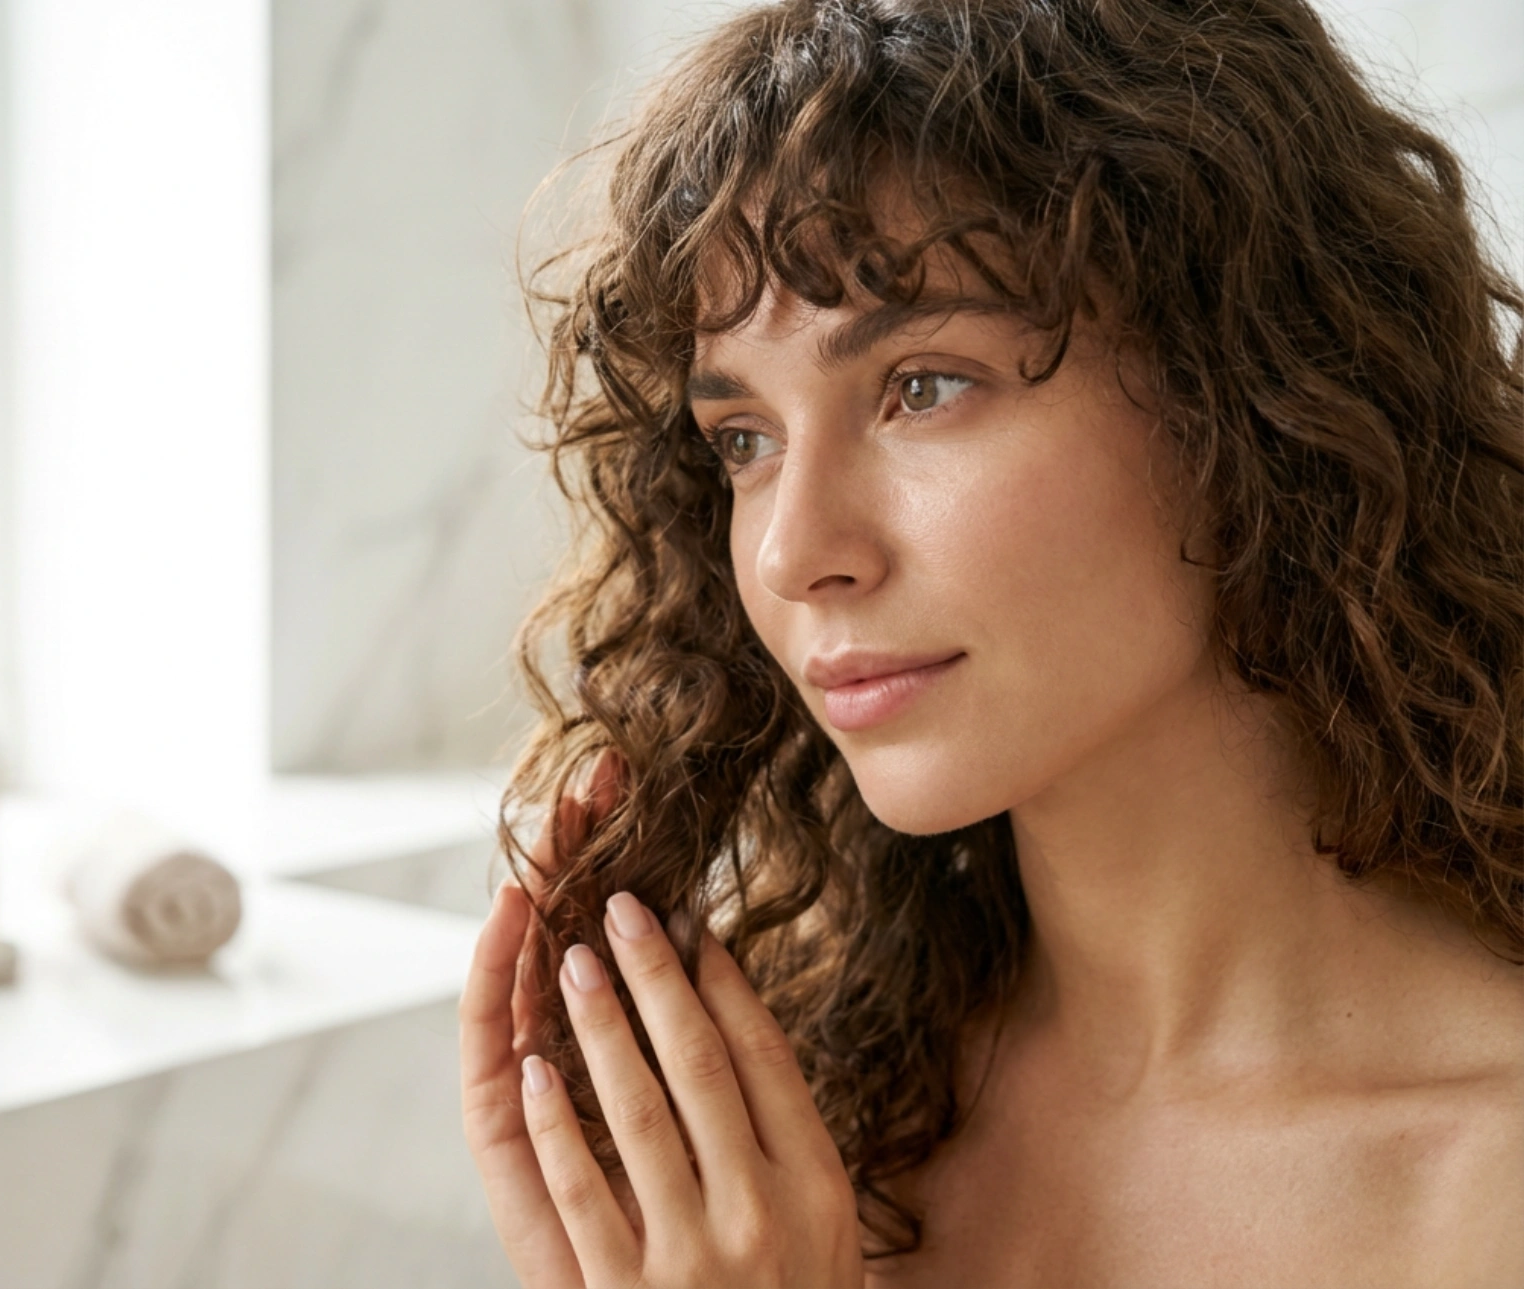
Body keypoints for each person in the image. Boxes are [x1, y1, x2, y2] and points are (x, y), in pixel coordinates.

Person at [458, 0, 1524, 1284]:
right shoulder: (781, 1135)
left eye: (923, 385)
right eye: (744, 438)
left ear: (1256, 396)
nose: (796, 552)